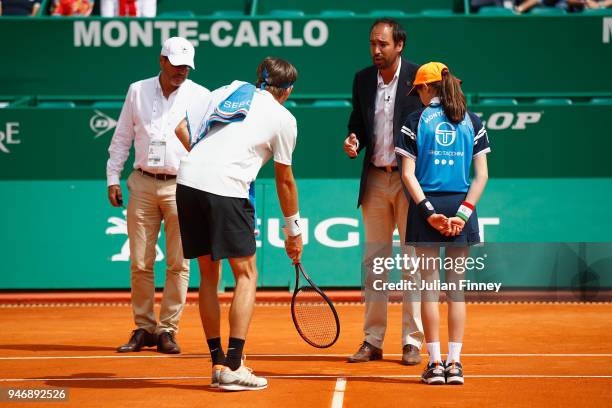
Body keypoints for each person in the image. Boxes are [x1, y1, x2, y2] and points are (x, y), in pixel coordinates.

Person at [174, 57, 302, 392]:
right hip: (226, 188)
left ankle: (218, 363)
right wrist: (294, 232)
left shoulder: (231, 90)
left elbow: (181, 129)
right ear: (287, 90)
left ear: (259, 79)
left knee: (208, 275)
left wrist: (209, 163)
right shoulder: (284, 118)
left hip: (187, 181)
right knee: (246, 274)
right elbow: (285, 182)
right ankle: (233, 366)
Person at [106, 37, 210, 355]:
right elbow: (122, 135)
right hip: (142, 182)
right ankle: (144, 327)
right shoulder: (137, 90)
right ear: (161, 61)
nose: (181, 71)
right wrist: (113, 177)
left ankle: (168, 329)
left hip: (183, 184)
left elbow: (207, 142)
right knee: (140, 262)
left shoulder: (201, 96)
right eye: (176, 65)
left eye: (186, 67)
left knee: (179, 264)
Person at [395, 62, 490, 385]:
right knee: (456, 290)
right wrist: (462, 214)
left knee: (429, 288)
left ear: (426, 88)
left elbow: (407, 175)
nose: (417, 95)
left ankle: (434, 363)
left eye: (418, 89)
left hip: (427, 207)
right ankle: (455, 363)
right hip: (462, 205)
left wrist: (428, 211)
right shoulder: (472, 120)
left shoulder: (415, 120)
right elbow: (482, 176)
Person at [343, 18, 425, 365]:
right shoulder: (362, 79)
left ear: (399, 45)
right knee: (375, 264)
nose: (377, 50)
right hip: (375, 180)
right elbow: (358, 123)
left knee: (413, 264)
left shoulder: (420, 79)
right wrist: (354, 140)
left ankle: (412, 341)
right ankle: (373, 340)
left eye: (383, 44)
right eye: (373, 44)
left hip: (409, 182)